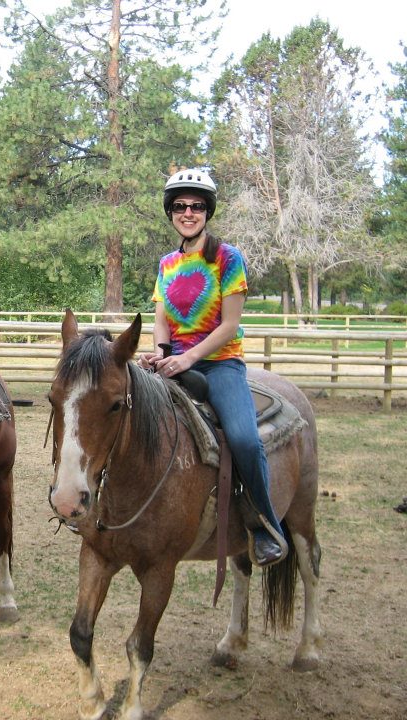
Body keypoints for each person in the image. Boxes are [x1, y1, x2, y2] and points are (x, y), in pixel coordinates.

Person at [138, 168, 288, 567]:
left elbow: (230, 325)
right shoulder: (167, 263)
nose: (188, 213)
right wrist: (159, 352)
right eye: (180, 206)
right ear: (170, 211)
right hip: (174, 363)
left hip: (219, 364)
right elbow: (161, 320)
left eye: (197, 206)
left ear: (208, 211)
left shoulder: (227, 257)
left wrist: (188, 357)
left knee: (243, 439)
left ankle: (264, 524)